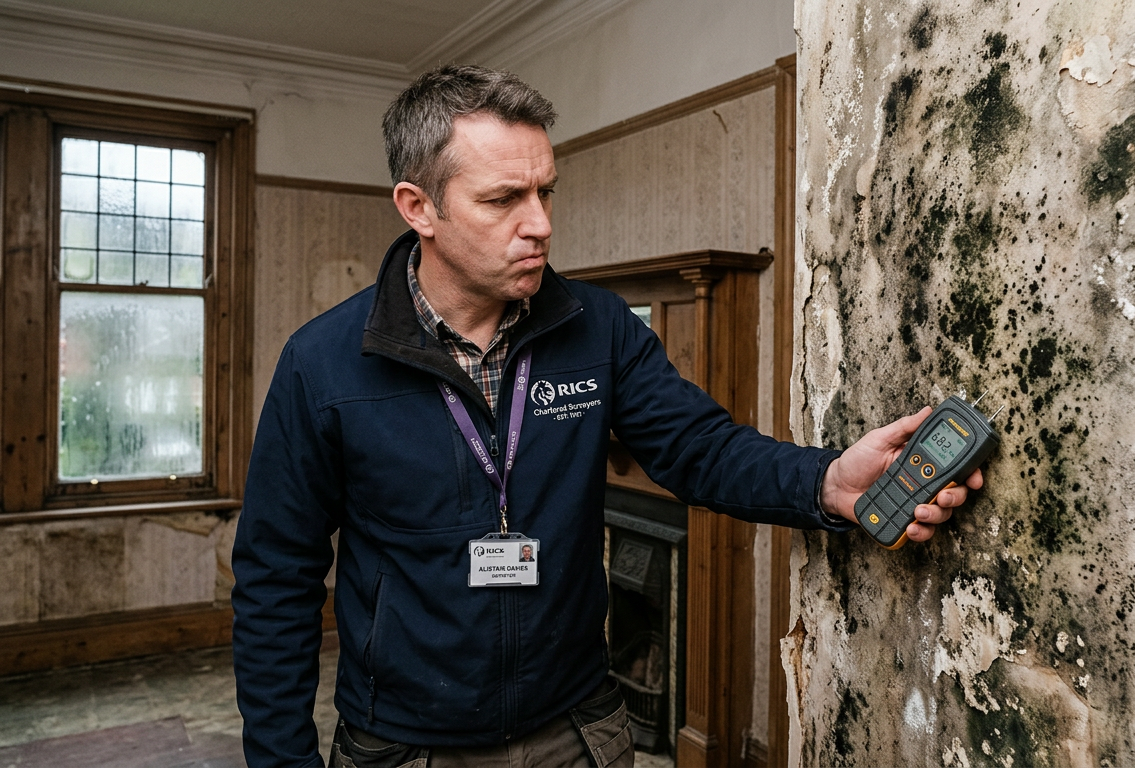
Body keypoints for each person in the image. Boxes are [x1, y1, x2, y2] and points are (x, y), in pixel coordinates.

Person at [231, 64, 984, 768]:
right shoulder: (322, 363)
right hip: (405, 745)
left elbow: (701, 448)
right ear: (417, 207)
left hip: (579, 731)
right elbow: (275, 578)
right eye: (502, 200)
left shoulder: (600, 327)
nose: (540, 225)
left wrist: (827, 481)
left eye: (545, 193)